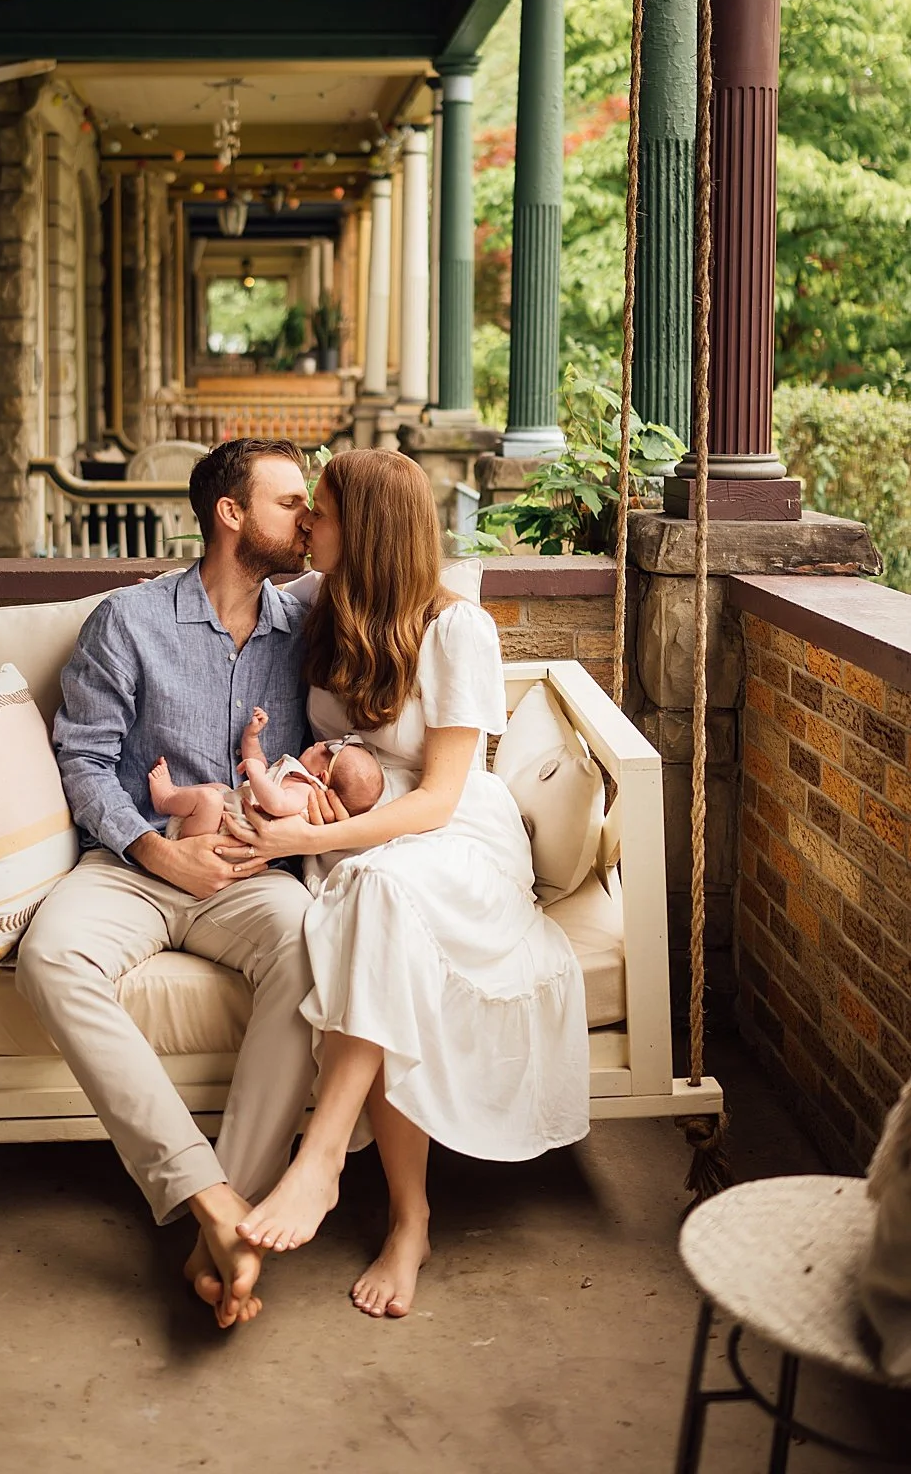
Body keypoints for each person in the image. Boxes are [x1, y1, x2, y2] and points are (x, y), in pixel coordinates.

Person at [226, 448, 590, 1319]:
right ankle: (409, 1219)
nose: (308, 523)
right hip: (352, 845)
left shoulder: (457, 630)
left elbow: (438, 796)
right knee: (374, 911)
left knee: (379, 895)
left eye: (321, 512)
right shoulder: (317, 602)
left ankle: (319, 1163)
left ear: (371, 532)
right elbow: (222, 596)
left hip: (451, 838)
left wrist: (310, 839)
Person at [16, 438, 318, 1332]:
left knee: (312, 947)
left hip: (249, 876)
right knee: (50, 956)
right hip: (134, 867)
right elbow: (83, 760)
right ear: (231, 514)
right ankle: (209, 1200)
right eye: (289, 502)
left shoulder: (304, 627)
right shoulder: (128, 621)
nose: (305, 520)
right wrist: (154, 850)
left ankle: (221, 1230)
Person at [148, 708, 385, 837]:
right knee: (219, 790)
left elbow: (277, 804)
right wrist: (251, 737)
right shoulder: (292, 775)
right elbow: (258, 762)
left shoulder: (304, 793)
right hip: (219, 815)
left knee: (210, 799)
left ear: (322, 778)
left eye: (327, 751)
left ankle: (166, 799)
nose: (321, 743)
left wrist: (256, 775)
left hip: (215, 835)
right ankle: (177, 794)